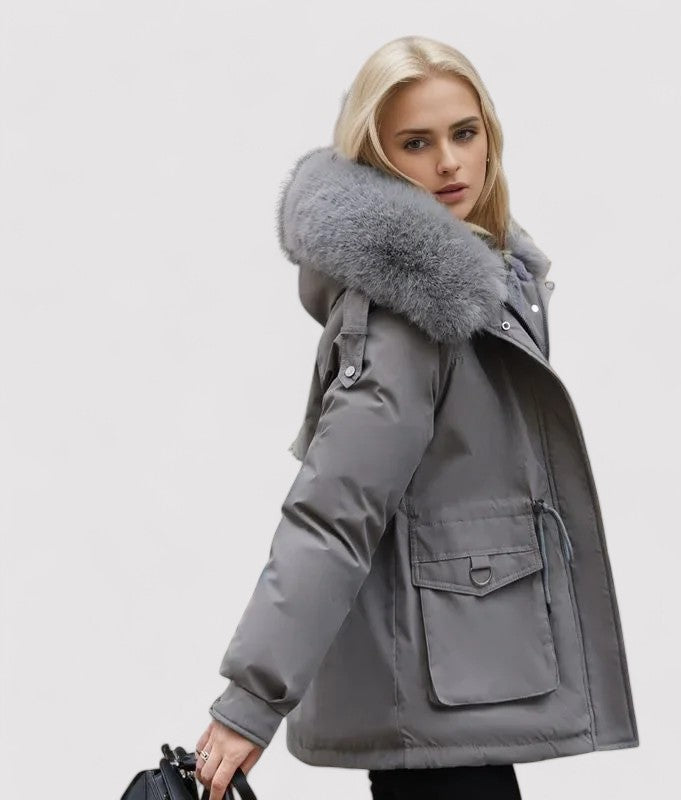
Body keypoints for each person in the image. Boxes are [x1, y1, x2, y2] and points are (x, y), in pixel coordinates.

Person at [194, 35, 639, 800]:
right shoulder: (409, 316)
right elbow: (333, 513)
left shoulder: (490, 282)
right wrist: (250, 702)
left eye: (464, 133)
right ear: (377, 158)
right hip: (438, 698)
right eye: (417, 143)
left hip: (466, 681)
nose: (450, 164)